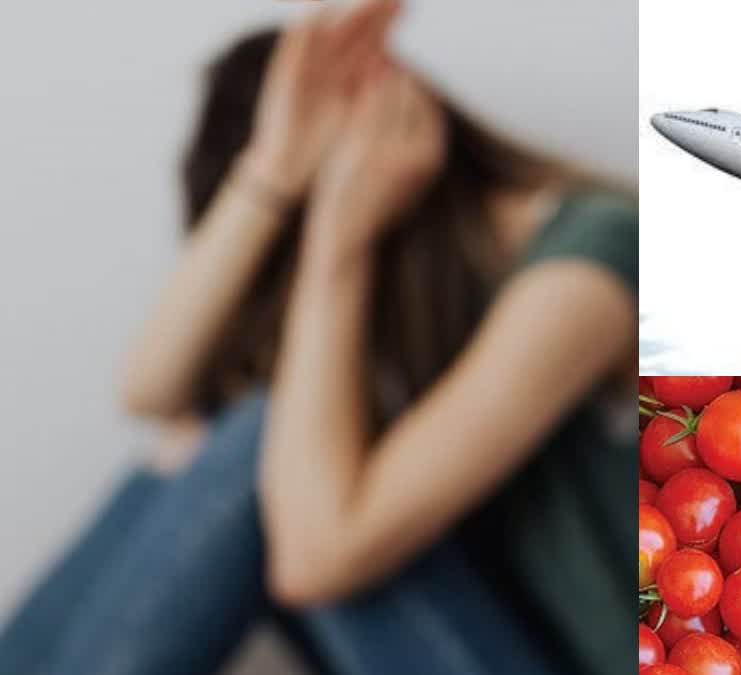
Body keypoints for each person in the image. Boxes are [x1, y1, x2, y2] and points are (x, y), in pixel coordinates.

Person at [0, 2, 635, 674]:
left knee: (282, 455)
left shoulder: (589, 264)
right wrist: (271, 174)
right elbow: (154, 390)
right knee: (228, 434)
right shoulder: (438, 313)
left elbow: (315, 558)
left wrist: (338, 238)